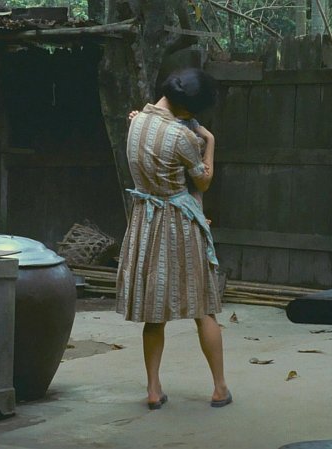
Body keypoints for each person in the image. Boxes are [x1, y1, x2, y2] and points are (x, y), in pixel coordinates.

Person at [115, 68, 231, 410]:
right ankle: (220, 388)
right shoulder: (183, 137)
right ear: (186, 108)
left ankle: (153, 390)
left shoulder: (135, 121)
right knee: (203, 306)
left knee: (155, 311)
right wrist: (210, 141)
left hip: (146, 222)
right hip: (179, 223)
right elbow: (203, 180)